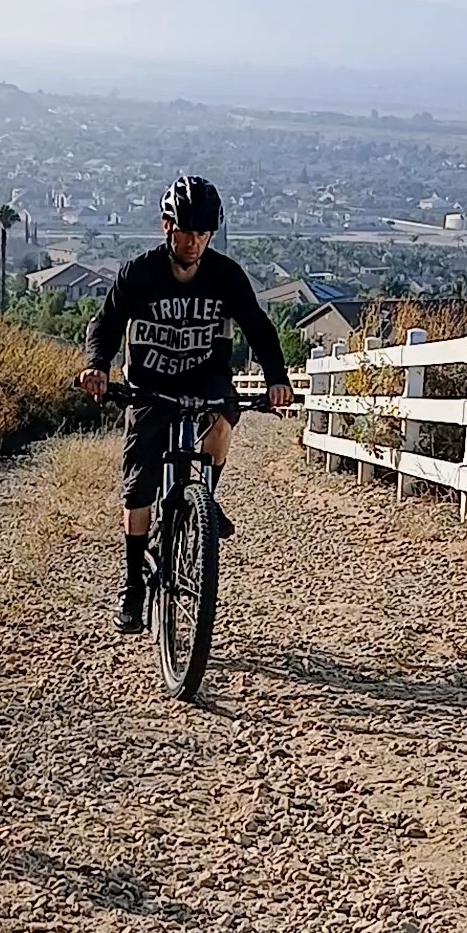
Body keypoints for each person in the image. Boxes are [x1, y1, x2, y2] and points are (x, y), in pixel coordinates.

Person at [80, 174, 293, 634]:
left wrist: (277, 378)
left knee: (222, 419)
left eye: (202, 233)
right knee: (138, 489)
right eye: (185, 231)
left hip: (206, 377)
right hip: (150, 383)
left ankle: (205, 497)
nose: (194, 242)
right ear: (166, 227)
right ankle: (134, 584)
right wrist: (97, 366)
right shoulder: (140, 273)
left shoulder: (226, 275)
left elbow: (258, 327)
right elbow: (107, 324)